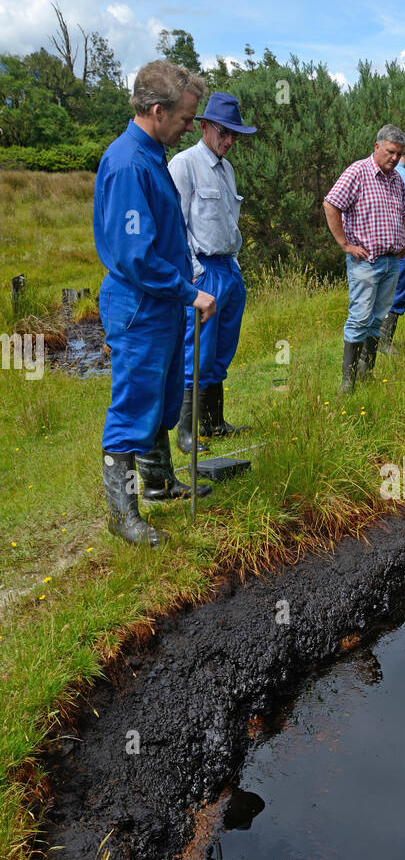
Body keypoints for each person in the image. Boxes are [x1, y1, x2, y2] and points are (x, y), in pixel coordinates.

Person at [94, 60, 217, 548]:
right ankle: (122, 515)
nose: (191, 128)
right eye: (187, 119)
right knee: (132, 411)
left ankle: (160, 483)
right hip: (140, 307)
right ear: (158, 110)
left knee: (161, 400)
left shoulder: (150, 155)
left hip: (162, 304)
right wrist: (190, 291)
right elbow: (135, 256)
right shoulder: (128, 163)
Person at [168, 91, 257, 453]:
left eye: (234, 134)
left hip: (228, 268)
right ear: (204, 127)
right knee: (197, 351)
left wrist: (234, 267)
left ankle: (214, 422)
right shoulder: (184, 164)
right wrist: (193, 274)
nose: (230, 140)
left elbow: (228, 223)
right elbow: (176, 225)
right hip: (202, 269)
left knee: (221, 350)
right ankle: (187, 433)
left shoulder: (228, 169)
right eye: (224, 132)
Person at [323, 124, 405, 391]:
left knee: (378, 318)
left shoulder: (396, 179)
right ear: (377, 147)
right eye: (390, 152)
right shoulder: (358, 172)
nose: (395, 158)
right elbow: (331, 204)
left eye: (398, 153)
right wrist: (344, 244)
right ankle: (347, 382)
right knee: (360, 318)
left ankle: (366, 372)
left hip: (390, 261)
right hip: (365, 261)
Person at [379, 137, 405, 354]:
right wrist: (403, 224)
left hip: (377, 245)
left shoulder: (381, 171)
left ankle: (372, 343)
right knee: (397, 290)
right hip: (397, 243)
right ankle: (384, 344)